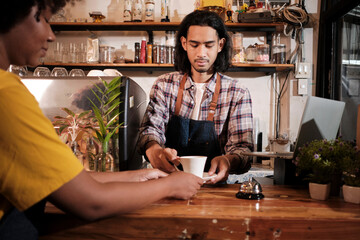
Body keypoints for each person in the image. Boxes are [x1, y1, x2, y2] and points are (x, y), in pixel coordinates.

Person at [0, 1, 203, 239]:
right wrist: (170, 185)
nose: (51, 35)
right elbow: (90, 202)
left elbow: (64, 179)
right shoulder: (7, 94)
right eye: (40, 18)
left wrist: (135, 176)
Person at [138, 10, 254, 184]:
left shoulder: (237, 92)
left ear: (220, 45)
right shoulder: (164, 85)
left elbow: (243, 149)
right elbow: (150, 130)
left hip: (215, 189)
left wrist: (228, 161)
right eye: (194, 45)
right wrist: (154, 150)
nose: (201, 53)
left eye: (208, 45)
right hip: (168, 184)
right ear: (184, 43)